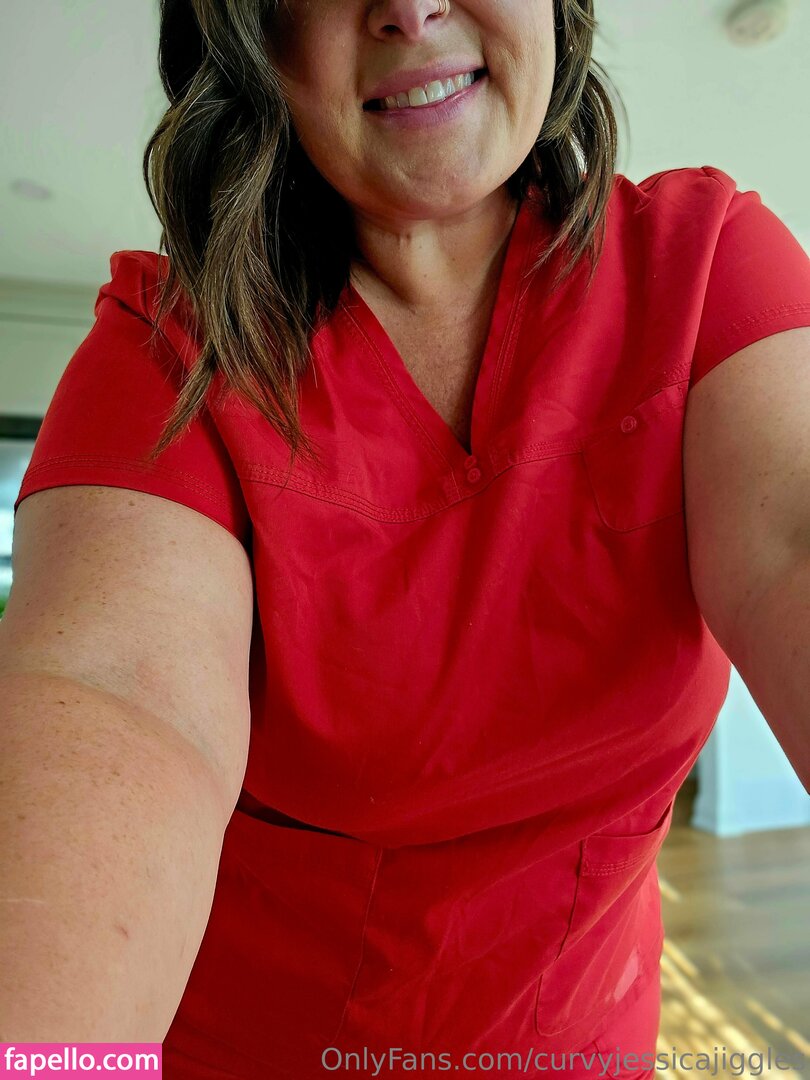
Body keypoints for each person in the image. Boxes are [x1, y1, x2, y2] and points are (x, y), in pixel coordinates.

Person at [2, 0, 809, 1076]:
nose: (411, 6)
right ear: (251, 35)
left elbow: (795, 537)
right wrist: (60, 1062)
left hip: (582, 1046)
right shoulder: (170, 353)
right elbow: (116, 701)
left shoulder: (705, 264)